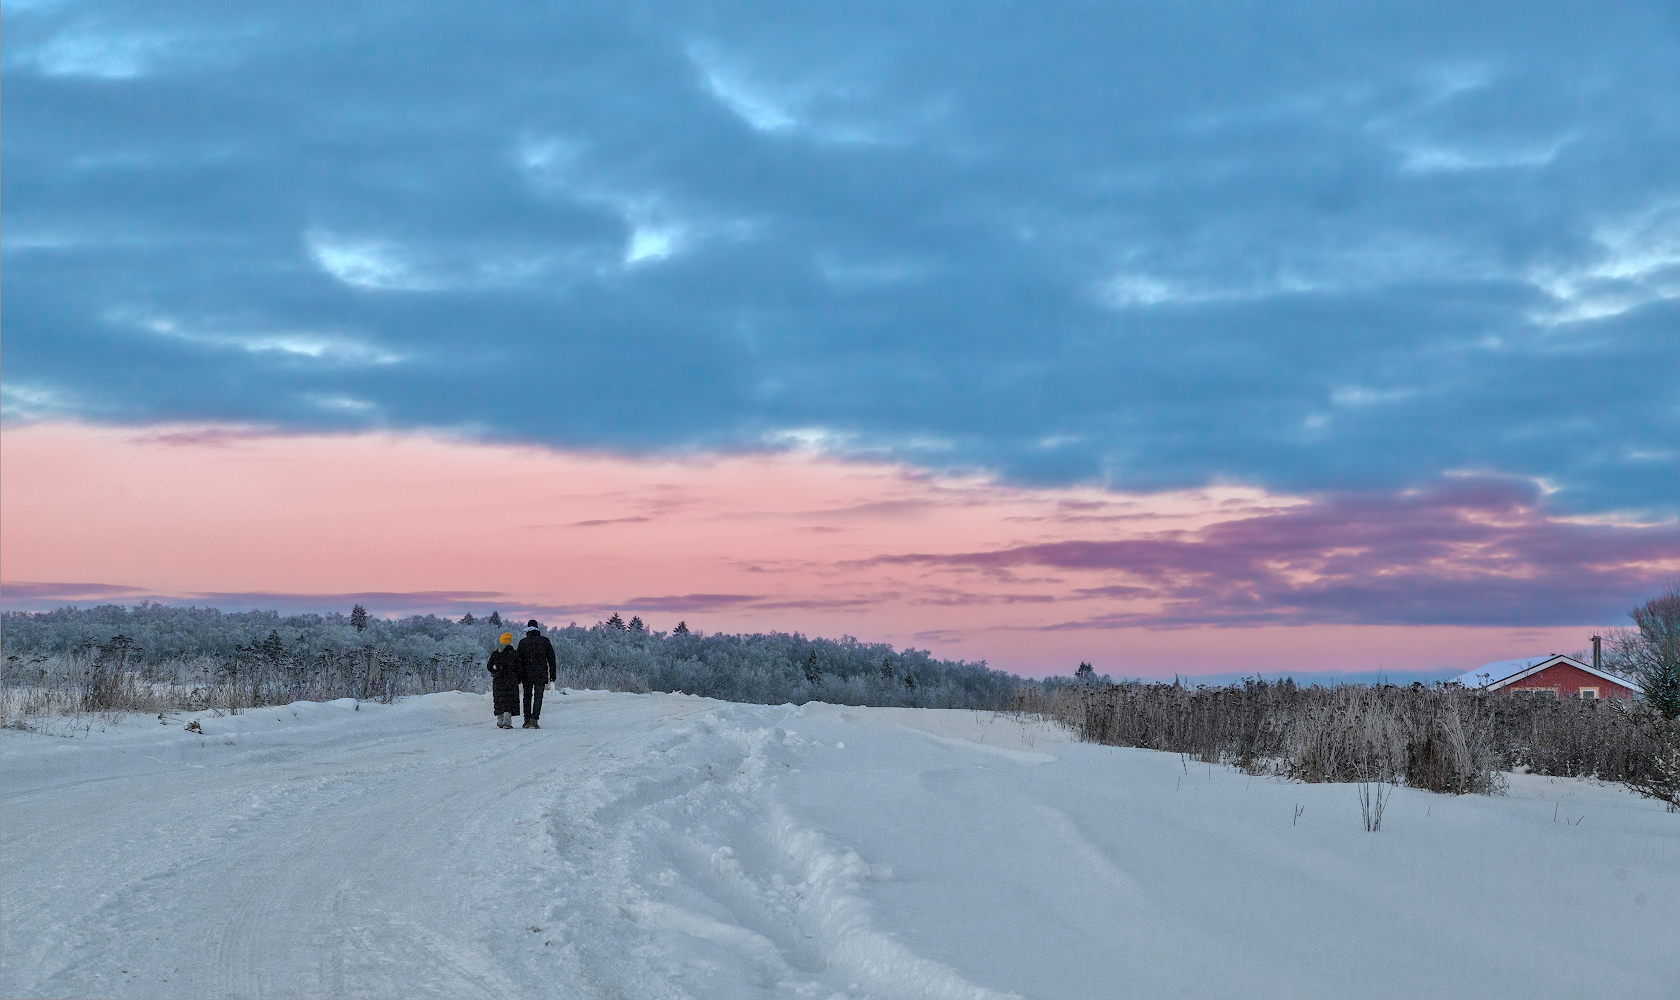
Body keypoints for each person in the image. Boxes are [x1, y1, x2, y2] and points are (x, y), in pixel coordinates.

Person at [516, 619, 556, 729]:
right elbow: (551, 659)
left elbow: (518, 661)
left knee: (527, 696)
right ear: (537, 628)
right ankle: (534, 719)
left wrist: (518, 677)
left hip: (526, 674)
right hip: (541, 674)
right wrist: (553, 676)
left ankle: (527, 719)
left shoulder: (523, 642)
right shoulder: (545, 641)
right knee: (538, 697)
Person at [486, 632, 519, 729]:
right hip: (510, 680)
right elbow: (519, 668)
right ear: (509, 642)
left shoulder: (495, 653)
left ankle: (500, 721)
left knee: (499, 700)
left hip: (498, 680)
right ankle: (507, 722)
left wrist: (494, 671)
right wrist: (518, 678)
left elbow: (489, 665)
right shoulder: (514, 653)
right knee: (508, 700)